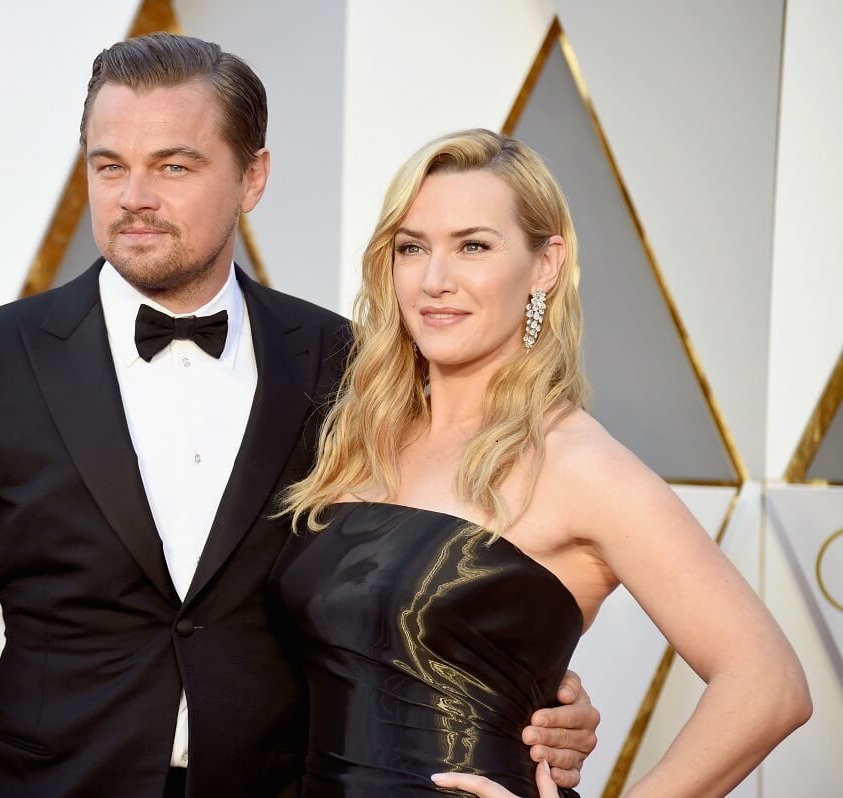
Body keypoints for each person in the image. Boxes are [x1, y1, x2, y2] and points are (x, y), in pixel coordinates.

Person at [0, 36, 600, 797]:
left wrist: (525, 690)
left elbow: (423, 574)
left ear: (252, 177)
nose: (133, 198)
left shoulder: (353, 365)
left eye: (173, 166)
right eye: (108, 165)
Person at [274, 129, 812, 797]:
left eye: (473, 246)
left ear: (545, 264)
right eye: (412, 247)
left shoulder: (577, 463)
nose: (435, 280)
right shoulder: (357, 438)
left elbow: (770, 682)